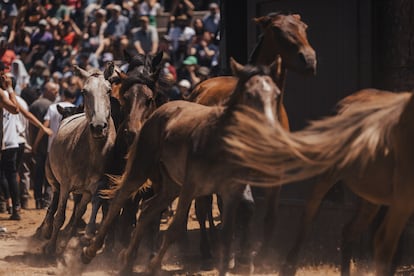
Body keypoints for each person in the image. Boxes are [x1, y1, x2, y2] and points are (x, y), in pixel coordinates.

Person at [30, 81, 59, 209]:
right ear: (47, 90)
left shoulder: (34, 105)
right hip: (49, 146)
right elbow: (45, 126)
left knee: (38, 173)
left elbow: (31, 127)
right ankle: (47, 201)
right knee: (49, 173)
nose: (56, 94)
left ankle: (37, 200)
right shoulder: (52, 106)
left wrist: (33, 143)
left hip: (39, 145)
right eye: (54, 91)